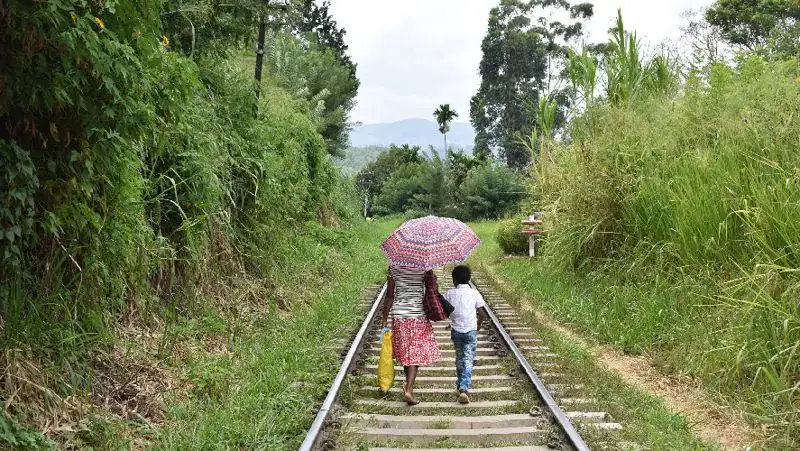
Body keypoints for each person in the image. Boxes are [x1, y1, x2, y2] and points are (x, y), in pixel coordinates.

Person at [381, 265, 442, 405]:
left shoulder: (393, 268)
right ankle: (409, 389)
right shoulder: (424, 267)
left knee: (406, 352)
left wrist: (384, 318)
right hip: (418, 314)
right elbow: (434, 289)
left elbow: (390, 295)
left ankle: (409, 387)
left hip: (399, 315)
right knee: (416, 352)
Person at [444, 265, 488, 404]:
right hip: (470, 331)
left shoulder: (450, 293)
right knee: (468, 358)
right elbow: (482, 314)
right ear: (469, 279)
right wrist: (478, 325)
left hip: (456, 331)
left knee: (459, 358)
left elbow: (444, 310)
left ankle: (459, 385)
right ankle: (464, 388)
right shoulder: (474, 293)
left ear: (454, 280)